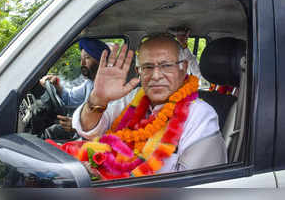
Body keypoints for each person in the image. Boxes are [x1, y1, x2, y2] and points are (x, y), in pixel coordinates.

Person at [72, 33, 227, 175]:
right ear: (138, 71)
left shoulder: (201, 115)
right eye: (147, 67)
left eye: (166, 65)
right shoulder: (133, 98)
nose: (156, 75)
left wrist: (113, 174)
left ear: (183, 68)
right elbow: (88, 130)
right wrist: (98, 99)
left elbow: (194, 185)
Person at [40, 38, 110, 138]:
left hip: (94, 142)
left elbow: (108, 124)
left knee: (49, 134)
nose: (82, 64)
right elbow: (70, 98)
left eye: (87, 58)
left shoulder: (111, 89)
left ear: (101, 60)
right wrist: (57, 85)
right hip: (82, 136)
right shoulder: (90, 83)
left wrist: (78, 126)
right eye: (81, 59)